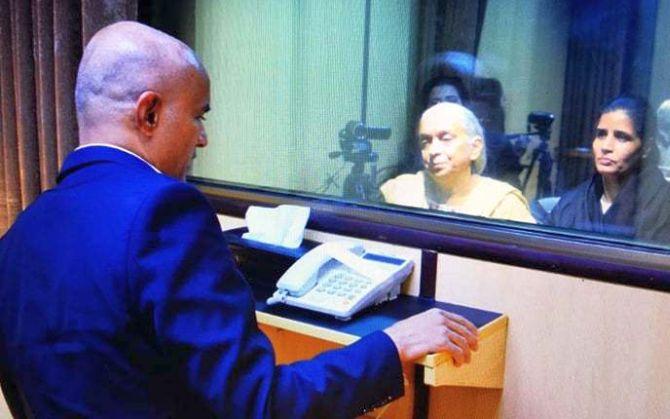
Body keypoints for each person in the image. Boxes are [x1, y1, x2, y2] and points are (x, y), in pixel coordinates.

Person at [0, 22, 480, 418]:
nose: (202, 139)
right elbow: (259, 404)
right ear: (149, 113)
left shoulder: (22, 232)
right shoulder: (165, 212)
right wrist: (390, 346)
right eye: (198, 116)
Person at [381, 102, 534, 223]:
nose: (433, 150)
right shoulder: (399, 191)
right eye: (425, 141)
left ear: (475, 147)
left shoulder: (503, 204)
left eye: (446, 139)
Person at [548, 96, 670, 244]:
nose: (606, 147)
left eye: (622, 137)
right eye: (601, 134)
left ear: (646, 147)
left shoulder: (665, 205)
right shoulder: (571, 203)